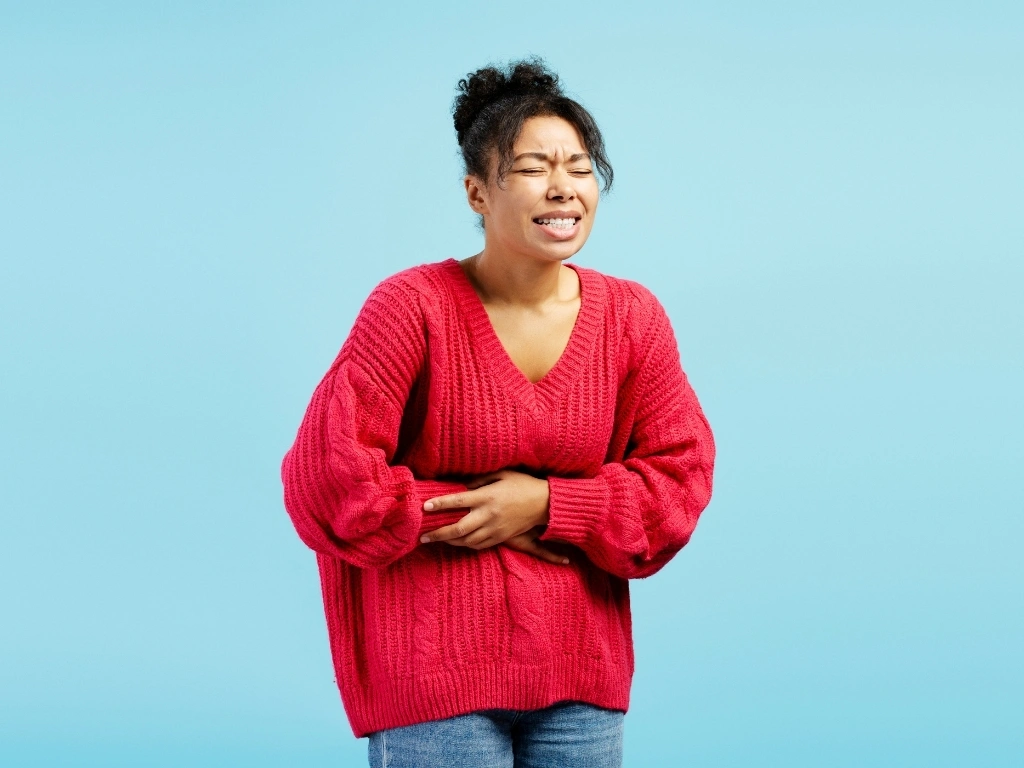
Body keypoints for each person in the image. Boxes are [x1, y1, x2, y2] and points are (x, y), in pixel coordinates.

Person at [280, 57, 716, 768]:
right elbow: (328, 481)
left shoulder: (633, 319)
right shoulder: (411, 308)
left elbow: (678, 486)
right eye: (533, 167)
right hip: (433, 676)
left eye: (579, 167)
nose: (563, 188)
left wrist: (547, 504)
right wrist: (476, 510)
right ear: (477, 192)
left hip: (581, 674)